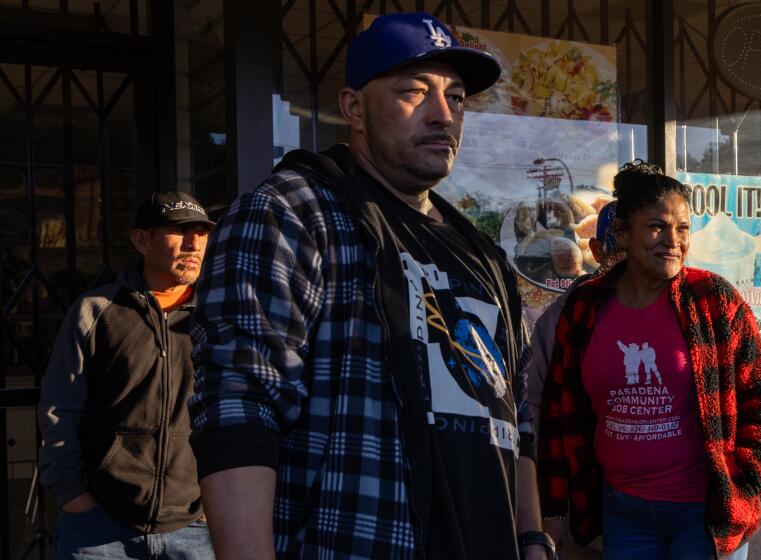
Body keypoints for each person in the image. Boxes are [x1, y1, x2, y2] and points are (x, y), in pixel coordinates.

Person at [188, 11, 552, 560]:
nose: (442, 115)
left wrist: (531, 537)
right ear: (353, 108)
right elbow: (238, 406)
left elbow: (513, 419)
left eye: (455, 98)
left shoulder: (483, 254)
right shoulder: (294, 213)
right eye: (413, 91)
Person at [537, 160, 761, 559]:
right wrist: (553, 509)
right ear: (623, 234)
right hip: (621, 513)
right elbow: (558, 413)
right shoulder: (585, 307)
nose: (673, 240)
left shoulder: (713, 300)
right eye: (656, 227)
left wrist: (746, 480)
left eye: (683, 228)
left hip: (700, 514)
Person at [38, 191, 215, 559]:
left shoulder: (217, 317)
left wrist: (218, 501)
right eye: (179, 231)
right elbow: (59, 408)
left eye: (201, 232)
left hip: (195, 527)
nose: (193, 244)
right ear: (141, 240)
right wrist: (73, 495)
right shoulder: (96, 311)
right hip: (100, 528)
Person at [526, 200, 623, 437]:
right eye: (624, 253)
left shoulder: (674, 308)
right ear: (598, 251)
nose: (637, 268)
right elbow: (532, 402)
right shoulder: (563, 317)